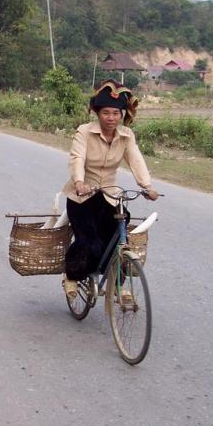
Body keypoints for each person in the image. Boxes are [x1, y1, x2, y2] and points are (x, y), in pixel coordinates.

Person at [61, 79, 159, 300]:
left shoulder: (126, 136)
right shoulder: (84, 132)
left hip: (110, 197)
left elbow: (136, 160)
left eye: (116, 113)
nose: (111, 118)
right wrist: (79, 182)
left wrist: (147, 186)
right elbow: (77, 158)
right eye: (106, 113)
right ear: (97, 113)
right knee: (90, 242)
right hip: (82, 198)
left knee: (118, 240)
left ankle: (117, 285)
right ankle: (72, 276)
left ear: (122, 114)